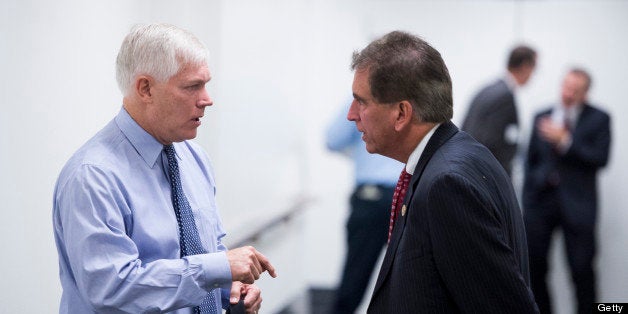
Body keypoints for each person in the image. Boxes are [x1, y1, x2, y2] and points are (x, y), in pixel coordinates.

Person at [52, 23, 276, 314]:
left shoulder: (194, 159)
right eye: (192, 86)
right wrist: (214, 269)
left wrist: (227, 287)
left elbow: (204, 251)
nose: (207, 99)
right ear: (145, 88)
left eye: (206, 84)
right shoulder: (93, 177)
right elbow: (111, 289)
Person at [346, 31, 539, 313]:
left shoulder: (447, 185)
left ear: (401, 113)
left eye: (361, 101)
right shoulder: (449, 160)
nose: (352, 114)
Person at [523, 68, 611, 314]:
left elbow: (601, 158)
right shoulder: (543, 115)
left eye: (575, 90)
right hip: (541, 203)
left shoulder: (599, 118)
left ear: (585, 93)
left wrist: (566, 141)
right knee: (535, 268)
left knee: (582, 270)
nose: (568, 93)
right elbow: (530, 160)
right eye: (566, 86)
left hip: (578, 205)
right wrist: (529, 194)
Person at [325, 101, 403, 313]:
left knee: (354, 280)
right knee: (410, 280)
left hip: (373, 198)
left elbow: (333, 140)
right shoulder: (414, 91)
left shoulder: (364, 96)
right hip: (410, 194)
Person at [462, 45, 537, 176]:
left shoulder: (487, 90)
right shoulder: (504, 96)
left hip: (471, 167)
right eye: (534, 68)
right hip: (487, 174)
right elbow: (492, 142)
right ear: (525, 66)